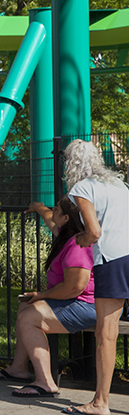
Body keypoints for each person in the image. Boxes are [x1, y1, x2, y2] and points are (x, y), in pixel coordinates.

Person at [0, 197, 95, 397]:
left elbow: (75, 287)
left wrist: (42, 295)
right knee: (25, 307)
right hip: (75, 301)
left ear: (65, 218)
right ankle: (18, 369)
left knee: (29, 317)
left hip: (86, 306)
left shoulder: (77, 244)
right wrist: (37, 207)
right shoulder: (66, 233)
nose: (52, 213)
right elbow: (49, 219)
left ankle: (45, 382)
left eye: (56, 210)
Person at [63, 139, 129, 415]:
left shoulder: (82, 188)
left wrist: (82, 239)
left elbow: (95, 231)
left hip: (114, 260)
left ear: (69, 164)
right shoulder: (119, 185)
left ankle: (101, 403)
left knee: (106, 334)